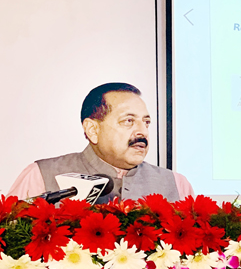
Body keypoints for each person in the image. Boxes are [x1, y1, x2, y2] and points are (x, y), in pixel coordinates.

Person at [8, 83, 192, 202]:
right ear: (93, 130)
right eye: (129, 121)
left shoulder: (177, 184)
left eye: (146, 122)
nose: (142, 131)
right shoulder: (40, 175)